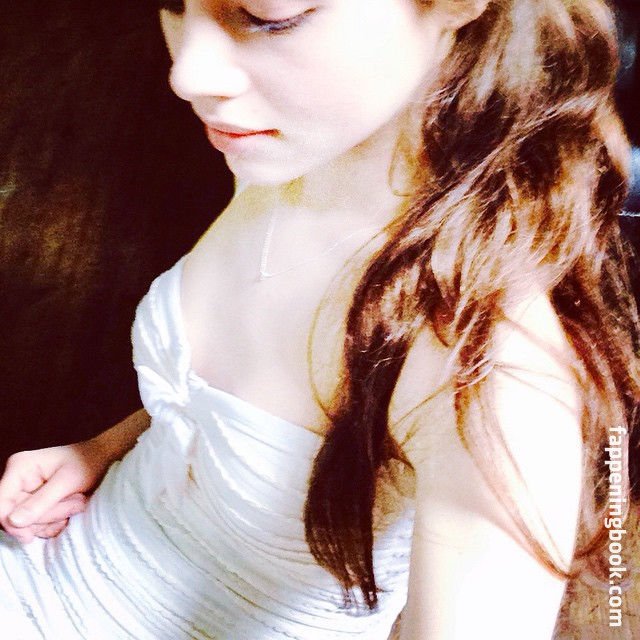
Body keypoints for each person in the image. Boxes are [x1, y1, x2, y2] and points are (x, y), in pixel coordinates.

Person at [0, 0, 638, 638]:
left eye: (267, 15)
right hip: (47, 555)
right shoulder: (286, 156)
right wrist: (100, 450)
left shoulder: (489, 371)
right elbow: (230, 402)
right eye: (172, 3)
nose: (187, 74)